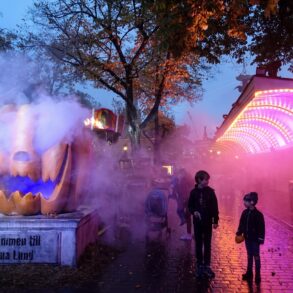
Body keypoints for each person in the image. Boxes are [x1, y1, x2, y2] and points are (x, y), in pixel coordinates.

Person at [188, 170, 219, 278]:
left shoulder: (211, 192)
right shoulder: (193, 192)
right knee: (198, 244)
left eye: (208, 179)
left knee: (207, 244)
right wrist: (194, 212)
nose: (207, 181)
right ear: (199, 180)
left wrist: (215, 220)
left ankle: (207, 265)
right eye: (206, 179)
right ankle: (199, 265)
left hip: (207, 222)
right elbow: (190, 206)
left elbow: (215, 207)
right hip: (197, 223)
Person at [236, 192, 265, 285]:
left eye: (246, 201)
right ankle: (249, 273)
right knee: (249, 255)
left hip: (255, 239)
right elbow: (242, 223)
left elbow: (261, 228)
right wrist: (239, 232)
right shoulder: (244, 213)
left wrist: (261, 238)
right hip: (247, 238)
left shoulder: (258, 215)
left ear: (252, 202)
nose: (244, 203)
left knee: (256, 256)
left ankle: (257, 275)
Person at [171, 168, 193, 240]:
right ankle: (189, 233)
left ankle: (189, 235)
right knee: (188, 216)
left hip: (187, 199)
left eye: (180, 173)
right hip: (189, 199)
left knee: (187, 216)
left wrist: (184, 199)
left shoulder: (184, 180)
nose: (179, 175)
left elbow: (184, 190)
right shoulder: (187, 179)